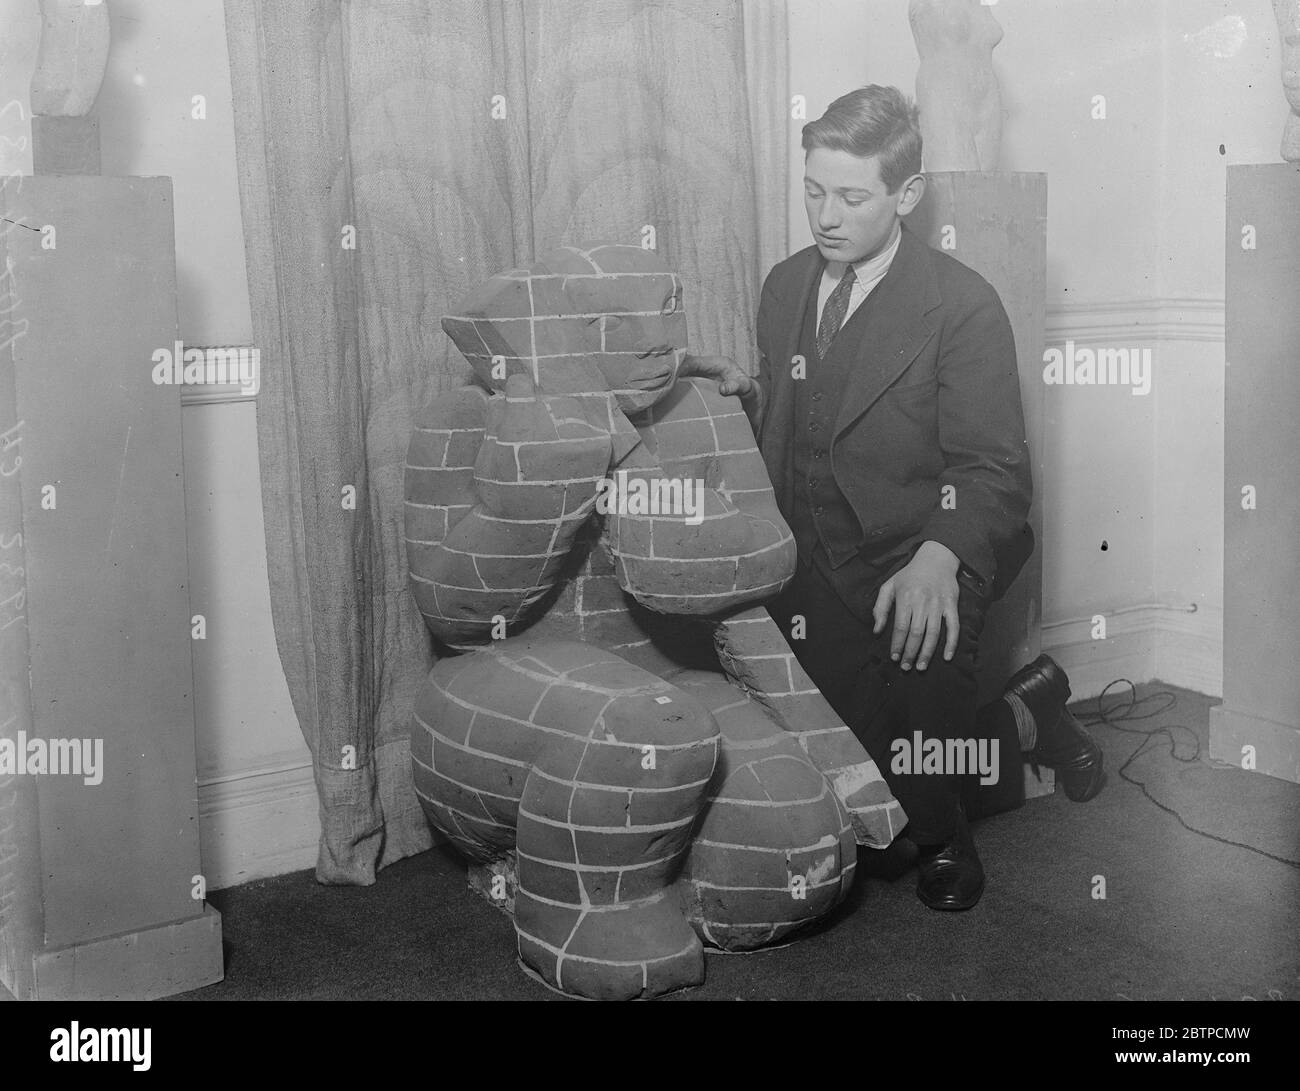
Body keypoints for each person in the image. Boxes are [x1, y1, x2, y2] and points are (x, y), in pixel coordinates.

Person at [684, 85, 1104, 911]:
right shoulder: (783, 286)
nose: (825, 216)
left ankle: (951, 838)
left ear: (906, 195)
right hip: (816, 560)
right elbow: (813, 415)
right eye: (813, 190)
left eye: (850, 196)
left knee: (912, 806)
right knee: (859, 780)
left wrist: (940, 559)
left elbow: (994, 469)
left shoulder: (963, 304)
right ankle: (1028, 714)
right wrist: (747, 397)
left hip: (922, 551)